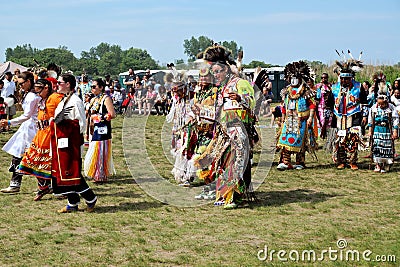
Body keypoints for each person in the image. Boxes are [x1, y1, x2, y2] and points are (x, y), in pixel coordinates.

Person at [200, 45, 255, 209]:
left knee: (236, 163)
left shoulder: (240, 83)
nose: (215, 75)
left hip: (237, 130)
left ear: (227, 70)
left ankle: (234, 196)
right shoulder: (220, 89)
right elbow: (218, 112)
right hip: (223, 132)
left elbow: (252, 104)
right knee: (222, 163)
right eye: (214, 72)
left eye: (218, 72)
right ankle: (224, 195)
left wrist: (240, 98)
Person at [51, 73, 97, 213]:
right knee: (63, 171)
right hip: (61, 141)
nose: (57, 85)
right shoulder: (65, 100)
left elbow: (81, 124)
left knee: (72, 171)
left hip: (71, 143)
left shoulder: (75, 101)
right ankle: (73, 203)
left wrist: (64, 125)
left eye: (59, 83)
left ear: (68, 84)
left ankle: (90, 198)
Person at [18, 79, 64, 200]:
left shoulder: (56, 97)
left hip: (52, 134)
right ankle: (44, 186)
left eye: (39, 88)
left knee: (50, 162)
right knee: (31, 160)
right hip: (40, 133)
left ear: (46, 88)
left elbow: (66, 112)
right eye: (35, 88)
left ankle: (58, 188)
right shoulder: (42, 99)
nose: (36, 91)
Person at [0, 71, 41, 193]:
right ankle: (15, 184)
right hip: (27, 128)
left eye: (22, 84)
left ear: (29, 82)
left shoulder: (32, 96)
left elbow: (27, 115)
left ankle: (45, 184)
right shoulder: (29, 94)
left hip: (31, 129)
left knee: (34, 156)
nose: (20, 86)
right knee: (19, 155)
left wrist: (9, 122)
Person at [276, 61, 317, 171]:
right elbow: (284, 105)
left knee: (300, 142)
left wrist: (310, 118)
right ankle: (286, 162)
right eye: (291, 77)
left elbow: (312, 105)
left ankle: (300, 162)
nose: (293, 80)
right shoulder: (286, 91)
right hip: (289, 120)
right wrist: (283, 117)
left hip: (301, 121)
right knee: (285, 140)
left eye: (296, 77)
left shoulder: (306, 91)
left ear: (300, 78)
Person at [331, 55, 368, 170]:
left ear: (351, 78)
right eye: (342, 78)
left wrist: (365, 116)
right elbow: (329, 104)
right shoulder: (335, 88)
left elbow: (364, 102)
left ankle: (352, 161)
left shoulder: (358, 87)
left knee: (353, 138)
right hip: (339, 117)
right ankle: (341, 161)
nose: (344, 81)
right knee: (340, 139)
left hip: (354, 116)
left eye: (346, 79)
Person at [84, 78, 116, 183]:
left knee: (100, 151)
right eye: (91, 87)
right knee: (93, 150)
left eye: (94, 87)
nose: (92, 89)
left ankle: (100, 174)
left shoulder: (106, 99)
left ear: (101, 88)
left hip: (102, 129)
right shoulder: (93, 99)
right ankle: (95, 172)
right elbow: (89, 115)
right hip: (93, 128)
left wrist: (100, 117)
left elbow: (112, 114)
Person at [367, 94, 398, 172]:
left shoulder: (391, 107)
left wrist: (395, 131)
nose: (380, 105)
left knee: (386, 147)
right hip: (377, 129)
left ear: (386, 102)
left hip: (387, 130)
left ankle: (384, 165)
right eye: (379, 103)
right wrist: (370, 131)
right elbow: (370, 120)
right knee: (377, 146)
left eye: (382, 103)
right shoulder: (374, 108)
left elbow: (395, 120)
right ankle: (378, 164)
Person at [315, 73, 334, 139]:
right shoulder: (318, 86)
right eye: (322, 78)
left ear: (327, 78)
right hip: (320, 106)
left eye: (325, 78)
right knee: (321, 120)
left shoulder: (331, 85)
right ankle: (321, 134)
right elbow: (316, 96)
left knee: (328, 120)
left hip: (328, 106)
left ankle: (326, 134)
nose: (323, 79)